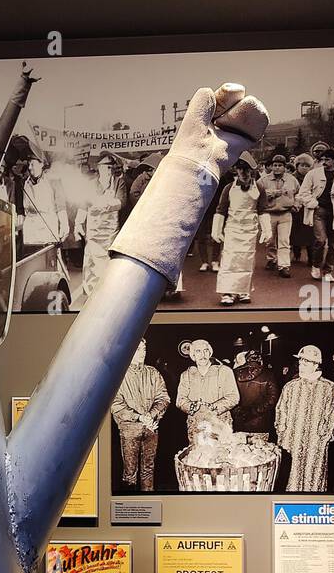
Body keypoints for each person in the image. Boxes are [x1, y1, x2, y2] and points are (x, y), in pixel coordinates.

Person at [275, 344, 334, 491]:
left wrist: (324, 436)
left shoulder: (329, 388)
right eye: (300, 361)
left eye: (306, 362)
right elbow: (281, 411)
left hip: (316, 443)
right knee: (291, 479)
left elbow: (332, 415)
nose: (301, 365)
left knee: (314, 479)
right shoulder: (291, 387)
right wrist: (282, 433)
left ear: (316, 364)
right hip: (291, 441)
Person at [110, 338, 170, 491]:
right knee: (130, 472)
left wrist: (152, 414)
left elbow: (164, 398)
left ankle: (148, 501)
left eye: (144, 349)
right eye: (137, 349)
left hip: (151, 428)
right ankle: (130, 504)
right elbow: (115, 404)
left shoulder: (153, 373)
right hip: (129, 431)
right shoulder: (118, 375)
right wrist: (138, 417)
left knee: (148, 470)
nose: (142, 353)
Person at [211, 156, 271, 304]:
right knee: (230, 261)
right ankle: (228, 292)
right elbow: (221, 210)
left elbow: (263, 209)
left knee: (246, 261)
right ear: (236, 171)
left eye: (247, 170)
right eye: (240, 169)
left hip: (250, 230)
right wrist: (216, 230)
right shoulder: (228, 188)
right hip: (232, 228)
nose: (244, 173)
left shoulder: (259, 188)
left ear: (252, 171)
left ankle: (243, 291)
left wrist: (267, 230)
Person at [75, 154, 127, 300]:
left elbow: (121, 202)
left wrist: (103, 205)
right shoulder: (91, 184)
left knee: (108, 263)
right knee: (91, 263)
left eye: (111, 168)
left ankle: (108, 295)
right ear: (99, 168)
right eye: (106, 168)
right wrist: (78, 224)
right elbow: (83, 205)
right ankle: (91, 296)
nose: (109, 171)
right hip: (93, 231)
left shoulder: (119, 182)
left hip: (110, 232)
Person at [297, 149, 334, 282]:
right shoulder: (313, 173)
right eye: (322, 159)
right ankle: (316, 266)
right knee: (321, 240)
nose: (324, 162)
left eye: (327, 159)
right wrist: (313, 203)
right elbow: (303, 192)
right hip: (319, 210)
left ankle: (328, 271)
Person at [176, 338, 239, 443]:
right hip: (197, 425)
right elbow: (180, 400)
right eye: (198, 351)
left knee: (220, 455)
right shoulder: (186, 375)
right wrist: (191, 406)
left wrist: (214, 407)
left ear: (210, 353)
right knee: (198, 455)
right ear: (193, 356)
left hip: (220, 423)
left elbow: (234, 397)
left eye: (205, 350)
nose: (202, 354)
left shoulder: (224, 371)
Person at [19, 155, 71, 258]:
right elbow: (22, 209)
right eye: (28, 164)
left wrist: (64, 225)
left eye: (32, 164)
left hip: (47, 227)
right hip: (31, 228)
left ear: (41, 164)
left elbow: (60, 205)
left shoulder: (53, 181)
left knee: (50, 259)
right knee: (30, 258)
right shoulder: (25, 182)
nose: (29, 167)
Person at [257, 154, 299, 277]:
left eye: (280, 165)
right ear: (271, 166)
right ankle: (271, 259)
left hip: (285, 213)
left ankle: (284, 266)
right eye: (275, 165)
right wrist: (270, 194)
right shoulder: (263, 180)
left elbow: (299, 193)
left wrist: (297, 204)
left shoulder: (292, 179)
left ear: (284, 167)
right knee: (270, 240)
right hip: (269, 214)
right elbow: (256, 195)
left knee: (284, 241)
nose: (277, 168)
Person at [230, 349, 279, 434]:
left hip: (238, 421)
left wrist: (238, 412)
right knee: (260, 446)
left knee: (240, 446)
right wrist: (255, 411)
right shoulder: (268, 374)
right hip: (261, 422)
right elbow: (273, 398)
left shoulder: (234, 373)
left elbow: (229, 395)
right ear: (260, 359)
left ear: (247, 359)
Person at [289, 153, 316, 263]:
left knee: (310, 233)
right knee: (295, 232)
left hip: (309, 208)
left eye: (307, 165)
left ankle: (311, 257)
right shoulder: (292, 178)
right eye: (302, 165)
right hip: (296, 209)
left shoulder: (313, 177)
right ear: (297, 166)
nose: (304, 168)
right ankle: (296, 254)